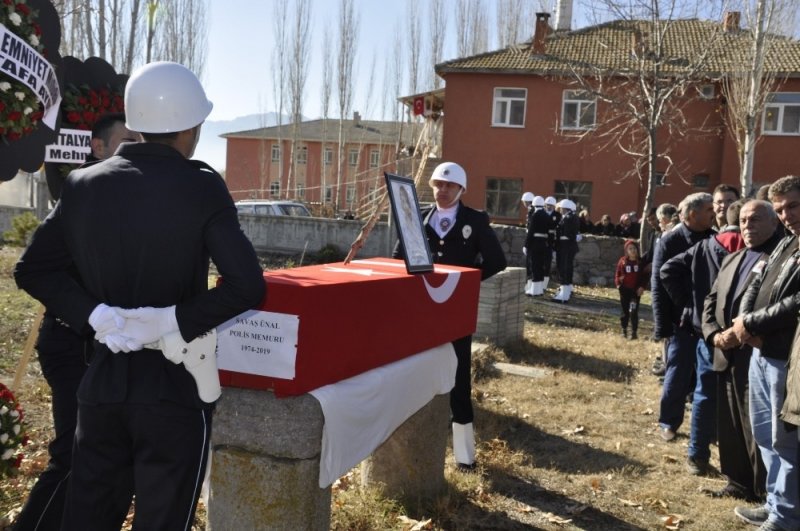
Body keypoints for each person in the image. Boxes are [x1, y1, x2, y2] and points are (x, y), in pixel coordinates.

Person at [14, 61, 266, 529]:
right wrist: (171, 320)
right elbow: (248, 285)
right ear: (192, 126)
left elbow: (33, 270)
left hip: (102, 384)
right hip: (173, 390)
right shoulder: (203, 185)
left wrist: (97, 315)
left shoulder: (83, 183)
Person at [13, 112, 141, 531]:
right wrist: (95, 316)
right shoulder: (82, 194)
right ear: (98, 148)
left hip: (116, 351)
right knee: (74, 454)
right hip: (72, 345)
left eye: (141, 141)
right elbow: (31, 270)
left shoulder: (138, 198)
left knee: (117, 460)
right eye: (126, 142)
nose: (135, 151)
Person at [392, 161, 506, 470]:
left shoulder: (475, 220)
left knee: (458, 378)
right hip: (423, 310)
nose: (442, 191)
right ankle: (414, 449)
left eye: (449, 186)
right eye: (438, 186)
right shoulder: (418, 217)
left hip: (454, 311)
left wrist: (465, 283)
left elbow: (497, 260)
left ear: (461, 190)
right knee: (415, 372)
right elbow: (398, 257)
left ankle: (464, 456)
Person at [730, 175, 800, 531]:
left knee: (786, 442)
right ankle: (774, 503)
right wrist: (744, 321)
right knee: (764, 434)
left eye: (792, 206)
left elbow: (795, 303)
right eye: (780, 209)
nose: (787, 215)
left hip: (785, 358)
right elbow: (756, 281)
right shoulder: (785, 244)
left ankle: (787, 517)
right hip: (759, 354)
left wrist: (752, 323)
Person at [660, 200, 745, 476]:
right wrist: (688, 304)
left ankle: (697, 455)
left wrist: (692, 307)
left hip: (706, 330)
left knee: (704, 393)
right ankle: (736, 464)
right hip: (740, 332)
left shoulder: (706, 244)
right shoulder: (751, 248)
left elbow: (667, 271)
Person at [703, 199, 780, 502]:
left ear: (775, 223)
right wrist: (714, 336)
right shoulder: (732, 258)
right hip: (725, 352)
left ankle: (763, 491)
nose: (748, 225)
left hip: (757, 354)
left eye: (756, 219)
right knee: (730, 421)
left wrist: (741, 333)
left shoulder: (780, 257)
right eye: (744, 220)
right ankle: (737, 481)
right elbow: (711, 301)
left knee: (757, 426)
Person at [651, 193, 716, 442]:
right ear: (692, 214)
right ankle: (669, 421)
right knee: (677, 374)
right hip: (680, 322)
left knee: (706, 375)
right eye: (709, 209)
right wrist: (662, 326)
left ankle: (706, 429)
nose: (714, 213)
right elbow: (658, 284)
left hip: (710, 321)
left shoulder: (715, 237)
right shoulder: (670, 241)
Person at [614, 239, 646, 339]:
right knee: (625, 311)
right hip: (624, 290)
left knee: (633, 310)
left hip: (635, 291)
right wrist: (618, 283)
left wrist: (642, 287)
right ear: (626, 251)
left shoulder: (640, 262)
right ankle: (624, 330)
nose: (633, 250)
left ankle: (634, 332)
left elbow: (644, 277)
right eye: (630, 249)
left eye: (634, 248)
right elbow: (617, 274)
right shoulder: (623, 261)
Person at [552, 199, 579, 303]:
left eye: (562, 208)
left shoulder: (568, 218)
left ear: (566, 209)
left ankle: (564, 294)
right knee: (565, 269)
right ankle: (565, 292)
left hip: (565, 246)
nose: (561, 210)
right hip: (566, 246)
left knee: (564, 268)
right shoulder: (570, 217)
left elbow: (566, 233)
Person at [526, 195, 550, 296]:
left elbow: (531, 231)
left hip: (535, 242)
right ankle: (539, 289)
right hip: (543, 242)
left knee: (534, 265)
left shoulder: (535, 215)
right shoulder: (546, 214)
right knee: (540, 266)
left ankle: (534, 290)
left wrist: (526, 245)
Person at [543, 196, 560, 289]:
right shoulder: (541, 213)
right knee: (540, 263)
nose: (548, 207)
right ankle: (538, 282)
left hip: (551, 242)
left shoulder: (557, 215)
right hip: (541, 241)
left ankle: (545, 284)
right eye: (547, 205)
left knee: (547, 264)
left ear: (554, 206)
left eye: (550, 205)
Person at [521, 192, 535, 294]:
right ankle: (530, 284)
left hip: (532, 241)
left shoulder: (531, 211)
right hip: (533, 239)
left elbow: (530, 229)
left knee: (530, 263)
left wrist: (526, 244)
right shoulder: (533, 210)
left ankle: (530, 285)